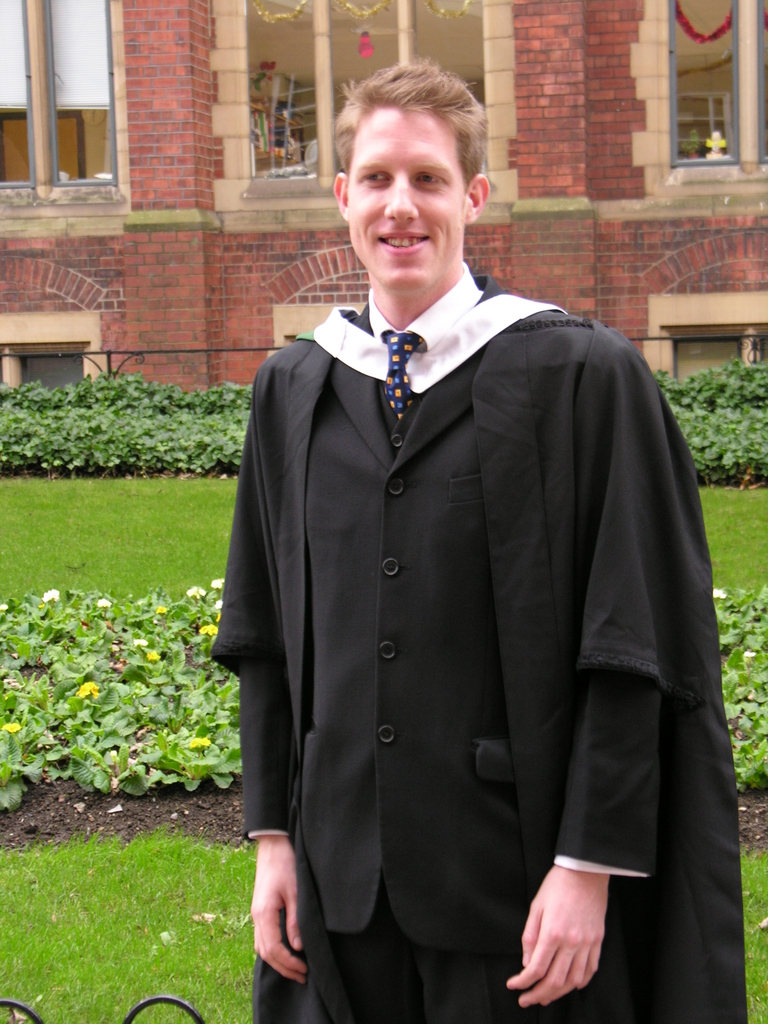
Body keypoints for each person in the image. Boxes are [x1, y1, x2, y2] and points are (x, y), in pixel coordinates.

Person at [213, 60, 747, 1024]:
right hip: (341, 881)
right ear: (342, 197)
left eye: (428, 178)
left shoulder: (582, 379)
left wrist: (587, 865)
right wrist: (272, 841)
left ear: (474, 196)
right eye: (377, 178)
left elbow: (635, 638)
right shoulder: (293, 392)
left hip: (514, 883)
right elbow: (265, 638)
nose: (400, 206)